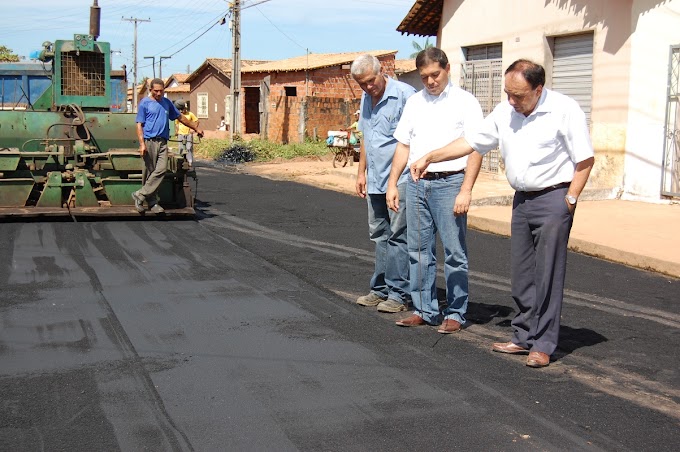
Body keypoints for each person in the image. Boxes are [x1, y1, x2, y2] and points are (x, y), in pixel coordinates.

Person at [409, 59, 595, 366]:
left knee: (547, 274)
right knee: (521, 274)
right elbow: (471, 142)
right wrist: (432, 155)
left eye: (518, 95)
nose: (511, 100)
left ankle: (543, 344)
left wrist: (570, 200)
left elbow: (585, 160)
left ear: (538, 89)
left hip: (554, 199)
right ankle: (522, 336)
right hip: (522, 201)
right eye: (507, 93)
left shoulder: (565, 109)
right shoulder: (505, 112)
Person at [386, 47, 484, 334]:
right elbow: (403, 145)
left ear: (448, 68)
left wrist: (466, 190)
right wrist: (393, 183)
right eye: (424, 76)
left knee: (454, 252)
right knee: (418, 250)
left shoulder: (466, 102)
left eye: (435, 74)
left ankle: (455, 312)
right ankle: (424, 308)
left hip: (451, 182)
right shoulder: (415, 103)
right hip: (417, 185)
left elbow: (476, 146)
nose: (430, 81)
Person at [351, 54, 416, 313]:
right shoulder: (366, 98)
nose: (368, 87)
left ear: (382, 71)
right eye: (362, 84)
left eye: (370, 81)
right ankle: (379, 290)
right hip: (376, 179)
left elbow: (413, 139)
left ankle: (399, 294)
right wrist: (360, 172)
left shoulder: (405, 95)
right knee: (380, 235)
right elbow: (366, 136)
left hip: (399, 180)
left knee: (399, 236)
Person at [133, 78, 203, 214]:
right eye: (156, 91)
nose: (159, 93)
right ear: (151, 90)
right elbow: (139, 124)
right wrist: (142, 144)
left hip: (163, 142)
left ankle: (140, 195)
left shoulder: (166, 103)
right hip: (149, 141)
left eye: (161, 91)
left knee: (161, 170)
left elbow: (180, 117)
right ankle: (152, 203)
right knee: (149, 173)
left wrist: (195, 128)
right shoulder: (145, 104)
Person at [174, 100, 198, 167]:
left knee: (188, 147)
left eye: (183, 109)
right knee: (181, 148)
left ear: (185, 108)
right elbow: (177, 124)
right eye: (180, 110)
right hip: (180, 133)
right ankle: (180, 162)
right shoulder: (179, 115)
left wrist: (193, 129)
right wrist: (177, 131)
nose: (182, 111)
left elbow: (196, 121)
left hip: (188, 134)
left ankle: (189, 162)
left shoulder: (190, 114)